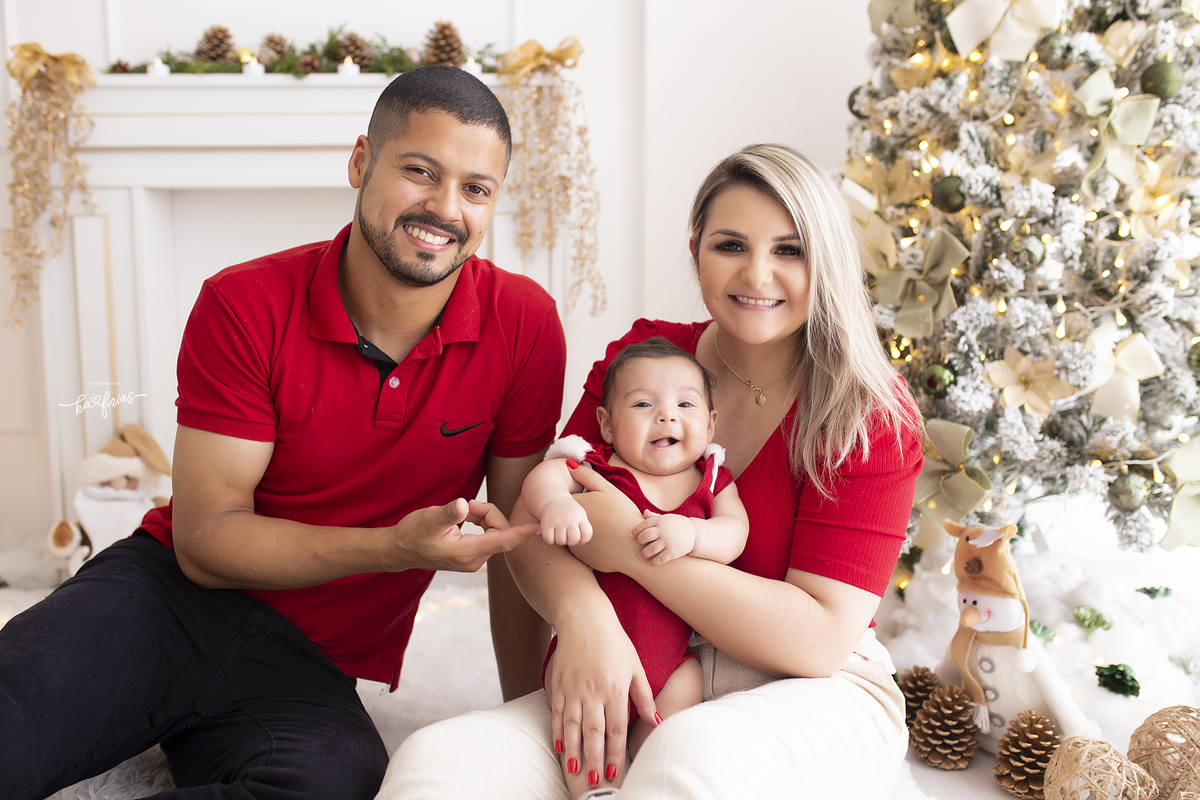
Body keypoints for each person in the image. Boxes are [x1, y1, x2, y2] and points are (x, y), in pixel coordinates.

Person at [0, 65, 565, 800]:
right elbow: (206, 542)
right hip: (166, 603)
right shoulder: (243, 303)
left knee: (337, 785)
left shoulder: (524, 325)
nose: (445, 208)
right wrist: (394, 546)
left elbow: (514, 541)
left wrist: (525, 723)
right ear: (361, 162)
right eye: (420, 171)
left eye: (476, 188)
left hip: (306, 666)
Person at [379, 143, 923, 800]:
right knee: (438, 763)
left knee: (683, 757)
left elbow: (818, 640)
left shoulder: (869, 412)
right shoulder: (647, 360)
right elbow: (532, 523)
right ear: (695, 252)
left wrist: (629, 550)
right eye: (730, 245)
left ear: (827, 262)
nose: (757, 273)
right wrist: (586, 619)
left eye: (790, 250)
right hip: (636, 649)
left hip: (812, 685)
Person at [521, 337, 749, 797]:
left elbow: (735, 532)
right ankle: (596, 790)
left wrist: (693, 534)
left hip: (673, 660)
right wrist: (554, 505)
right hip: (591, 651)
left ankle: (650, 772)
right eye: (644, 404)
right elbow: (543, 477)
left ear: (710, 423)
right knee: (586, 730)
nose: (666, 416)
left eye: (685, 404)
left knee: (677, 711)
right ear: (607, 424)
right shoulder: (597, 466)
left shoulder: (711, 478)